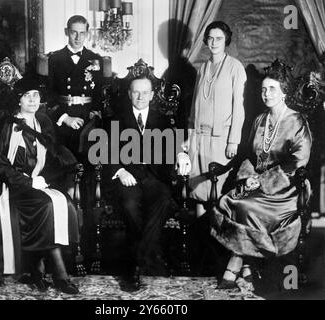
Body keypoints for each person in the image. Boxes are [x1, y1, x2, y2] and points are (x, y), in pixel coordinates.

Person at [210, 59, 312, 289]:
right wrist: (248, 178)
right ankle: (246, 264)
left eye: (272, 89)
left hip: (287, 189)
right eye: (263, 89)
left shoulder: (297, 122)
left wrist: (263, 181)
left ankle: (235, 263)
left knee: (246, 207)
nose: (266, 94)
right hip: (255, 183)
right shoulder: (259, 120)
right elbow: (249, 155)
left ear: (284, 92)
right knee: (229, 201)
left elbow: (298, 162)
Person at [0, 78, 80, 294]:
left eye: (36, 95)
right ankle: (60, 275)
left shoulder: (42, 122)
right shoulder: (9, 125)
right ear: (18, 100)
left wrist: (49, 179)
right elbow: (0, 166)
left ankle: (38, 268)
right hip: (16, 187)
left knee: (66, 204)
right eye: (27, 96)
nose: (33, 100)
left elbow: (51, 157)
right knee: (47, 206)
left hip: (39, 184)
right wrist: (29, 181)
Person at [109, 75, 191, 289]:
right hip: (129, 176)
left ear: (153, 95)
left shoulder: (163, 120)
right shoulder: (115, 119)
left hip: (155, 176)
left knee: (163, 200)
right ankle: (149, 258)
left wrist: (181, 155)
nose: (140, 96)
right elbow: (105, 152)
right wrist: (119, 170)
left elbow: (173, 147)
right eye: (136, 92)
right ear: (129, 94)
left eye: (145, 92)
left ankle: (136, 260)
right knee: (129, 205)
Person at [185, 21, 247, 217]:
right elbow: (195, 103)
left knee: (217, 193)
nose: (214, 42)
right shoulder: (203, 67)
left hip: (221, 141)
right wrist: (189, 137)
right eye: (210, 38)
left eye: (218, 38)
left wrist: (233, 140)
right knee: (197, 191)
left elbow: (239, 107)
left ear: (226, 40)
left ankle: (217, 243)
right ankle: (199, 241)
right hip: (199, 138)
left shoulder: (235, 67)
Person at [48, 15, 103, 162]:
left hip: (87, 117)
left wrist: (95, 113)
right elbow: (49, 94)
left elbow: (99, 92)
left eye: (82, 33)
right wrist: (65, 118)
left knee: (89, 160)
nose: (78, 37)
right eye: (74, 32)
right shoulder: (54, 59)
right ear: (67, 32)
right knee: (64, 161)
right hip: (63, 116)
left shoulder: (96, 59)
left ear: (87, 33)